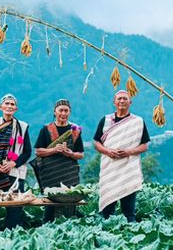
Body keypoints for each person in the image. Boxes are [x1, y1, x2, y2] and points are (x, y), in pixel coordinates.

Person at [93, 90, 150, 222]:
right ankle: (107, 233)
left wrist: (128, 152)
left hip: (128, 169)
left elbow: (144, 145)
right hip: (109, 168)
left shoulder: (137, 122)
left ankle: (131, 235)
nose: (122, 101)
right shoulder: (106, 120)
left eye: (125, 99)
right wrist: (108, 151)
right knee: (108, 210)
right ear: (114, 102)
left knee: (129, 211)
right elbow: (97, 142)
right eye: (119, 99)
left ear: (130, 102)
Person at [0, 93, 32, 230]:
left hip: (14, 173)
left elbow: (27, 151)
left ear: (16, 109)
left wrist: (13, 163)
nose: (9, 106)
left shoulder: (22, 126)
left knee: (14, 209)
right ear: (0, 107)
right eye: (7, 104)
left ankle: (12, 236)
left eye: (12, 104)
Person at [32, 99, 84, 222]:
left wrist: (71, 154)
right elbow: (38, 151)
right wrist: (54, 150)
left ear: (69, 113)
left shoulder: (75, 131)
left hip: (69, 174)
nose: (63, 113)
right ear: (55, 112)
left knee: (70, 203)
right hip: (50, 175)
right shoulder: (46, 129)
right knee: (50, 205)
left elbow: (80, 154)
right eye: (61, 110)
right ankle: (48, 228)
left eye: (66, 111)